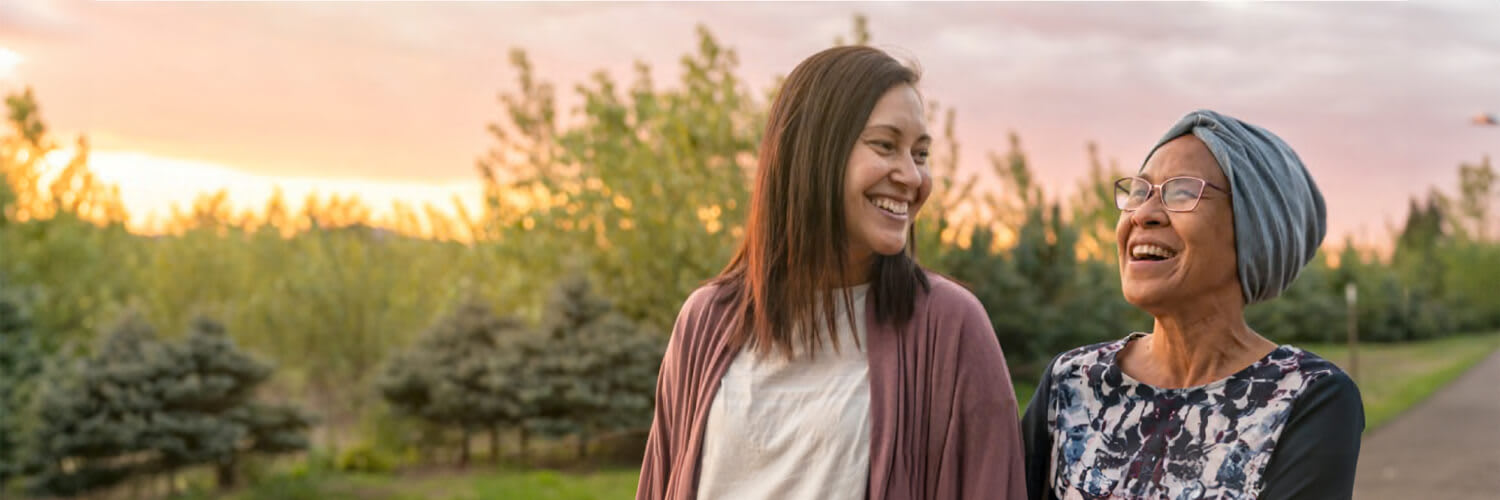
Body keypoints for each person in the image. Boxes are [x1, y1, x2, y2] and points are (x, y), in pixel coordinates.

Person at [636, 45, 1027, 500]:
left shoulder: (950, 327)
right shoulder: (706, 320)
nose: (912, 176)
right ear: (813, 151)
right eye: (885, 145)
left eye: (920, 154)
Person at [1022, 109, 1364, 500]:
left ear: (1254, 231)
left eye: (1181, 192)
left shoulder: (1309, 397)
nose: (1143, 215)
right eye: (1139, 192)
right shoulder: (1071, 382)